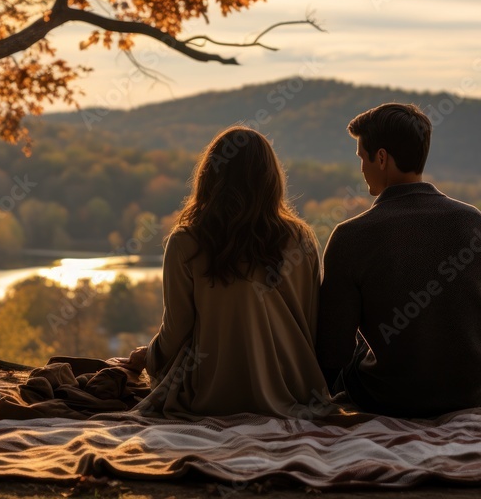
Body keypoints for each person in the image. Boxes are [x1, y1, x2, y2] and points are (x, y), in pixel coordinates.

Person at [316, 103, 481, 418]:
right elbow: (476, 316)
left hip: (390, 396)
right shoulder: (477, 224)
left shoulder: (350, 237)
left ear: (381, 158)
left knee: (360, 354)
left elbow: (333, 351)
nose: (361, 168)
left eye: (362, 158)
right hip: (469, 392)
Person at [122, 126, 329, 418]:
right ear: (271, 180)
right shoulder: (302, 239)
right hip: (295, 390)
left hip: (213, 395)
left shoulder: (186, 242)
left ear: (209, 177)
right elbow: (311, 323)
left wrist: (148, 358)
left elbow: (176, 330)